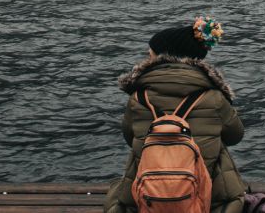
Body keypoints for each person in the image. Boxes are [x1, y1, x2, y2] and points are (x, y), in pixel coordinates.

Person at [104, 17, 248, 213]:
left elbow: (130, 139)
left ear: (161, 58)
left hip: (148, 197)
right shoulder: (214, 97)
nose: (147, 59)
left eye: (150, 55)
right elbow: (235, 136)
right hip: (207, 200)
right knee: (218, 146)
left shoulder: (139, 98)